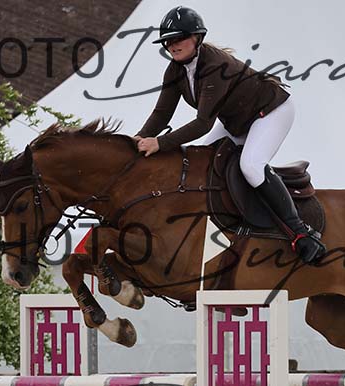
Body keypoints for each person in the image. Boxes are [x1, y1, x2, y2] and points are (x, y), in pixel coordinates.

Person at [133, 6, 325, 264]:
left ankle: (301, 232)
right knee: (199, 163)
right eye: (167, 41)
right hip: (237, 121)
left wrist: (160, 143)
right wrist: (137, 139)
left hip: (270, 112)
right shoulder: (175, 70)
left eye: (179, 38)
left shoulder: (215, 65)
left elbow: (203, 124)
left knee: (251, 166)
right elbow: (162, 113)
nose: (172, 45)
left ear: (197, 37)